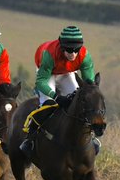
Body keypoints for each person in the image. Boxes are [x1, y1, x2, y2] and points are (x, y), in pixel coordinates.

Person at [25, 24, 99, 154]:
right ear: (62, 47)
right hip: (47, 74)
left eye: (77, 50)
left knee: (79, 101)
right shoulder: (49, 54)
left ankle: (89, 138)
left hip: (66, 73)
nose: (73, 54)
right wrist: (56, 97)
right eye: (70, 50)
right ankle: (30, 139)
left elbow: (88, 85)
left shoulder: (84, 55)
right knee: (48, 104)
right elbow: (41, 81)